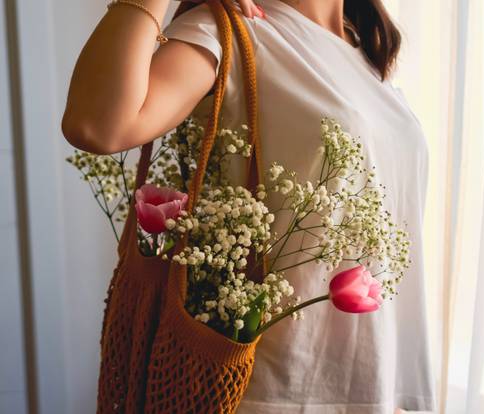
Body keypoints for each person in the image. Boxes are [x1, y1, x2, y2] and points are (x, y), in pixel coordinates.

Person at [62, 0, 435, 413]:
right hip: (272, 389)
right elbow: (96, 124)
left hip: (370, 383)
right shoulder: (228, 32)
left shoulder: (360, 45)